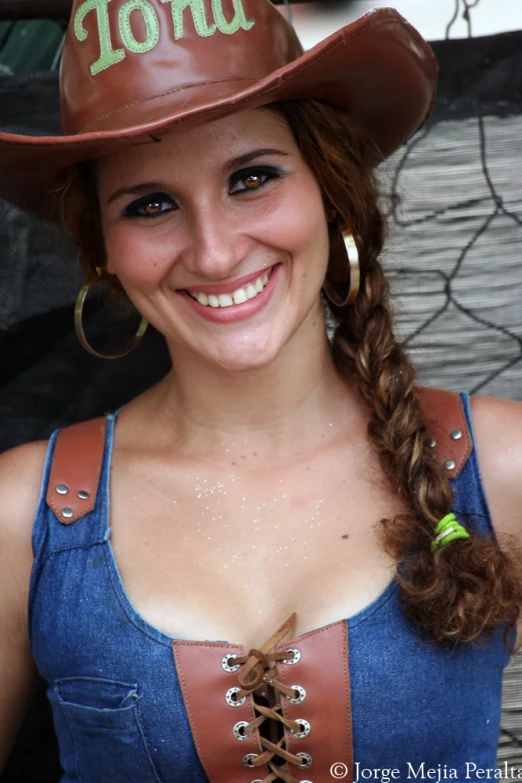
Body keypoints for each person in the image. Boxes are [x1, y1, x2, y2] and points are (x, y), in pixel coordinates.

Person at [0, 1, 521, 781]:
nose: (213, 251)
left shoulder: (502, 464)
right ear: (100, 250)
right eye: (150, 204)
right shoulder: (21, 518)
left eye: (252, 177)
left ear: (331, 190)